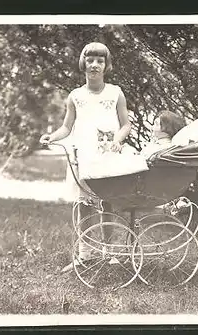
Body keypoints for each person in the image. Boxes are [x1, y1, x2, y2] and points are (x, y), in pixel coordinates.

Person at [39, 42, 131, 268]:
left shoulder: (115, 93)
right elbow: (67, 128)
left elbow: (126, 125)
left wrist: (118, 140)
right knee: (84, 205)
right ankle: (85, 254)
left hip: (107, 154)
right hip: (83, 155)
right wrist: (51, 136)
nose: (94, 65)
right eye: (90, 60)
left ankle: (109, 252)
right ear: (83, 64)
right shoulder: (75, 96)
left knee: (107, 203)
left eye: (100, 61)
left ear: (106, 65)